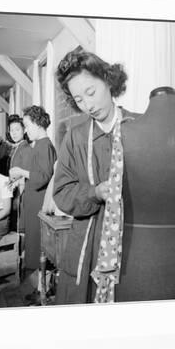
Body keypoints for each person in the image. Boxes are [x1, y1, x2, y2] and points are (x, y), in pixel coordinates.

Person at [52, 48, 137, 304]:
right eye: (79, 99)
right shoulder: (74, 138)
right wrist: (95, 192)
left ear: (109, 81)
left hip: (133, 241)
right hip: (89, 244)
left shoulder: (140, 127)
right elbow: (62, 193)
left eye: (91, 92)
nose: (87, 105)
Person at [9, 106, 57, 272]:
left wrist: (21, 171)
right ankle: (40, 287)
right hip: (34, 202)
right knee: (36, 247)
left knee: (40, 248)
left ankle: (41, 290)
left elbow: (43, 177)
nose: (26, 130)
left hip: (39, 204)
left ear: (37, 124)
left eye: (27, 126)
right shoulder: (40, 145)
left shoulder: (44, 146)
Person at [6, 114, 33, 232]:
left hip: (20, 191)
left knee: (18, 224)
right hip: (13, 190)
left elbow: (25, 173)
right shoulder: (16, 147)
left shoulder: (26, 148)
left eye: (17, 129)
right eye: (11, 130)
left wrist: (18, 195)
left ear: (24, 130)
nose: (14, 133)